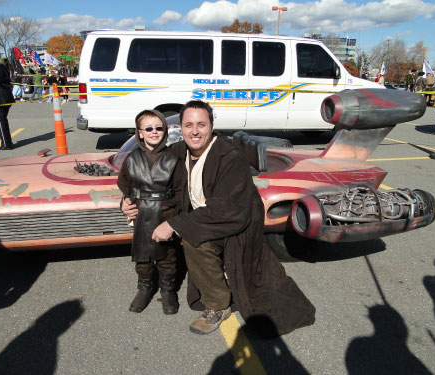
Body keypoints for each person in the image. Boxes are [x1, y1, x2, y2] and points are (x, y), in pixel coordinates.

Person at [124, 101, 315, 336]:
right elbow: (147, 176)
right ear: (181, 128)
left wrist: (174, 223)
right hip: (206, 218)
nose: (195, 131)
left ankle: (218, 305)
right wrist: (127, 200)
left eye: (201, 124)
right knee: (188, 232)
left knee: (196, 240)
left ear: (212, 126)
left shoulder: (229, 157)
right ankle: (211, 287)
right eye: (188, 125)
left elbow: (227, 209)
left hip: (235, 223)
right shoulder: (179, 151)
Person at [117, 109, 183, 315]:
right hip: (141, 212)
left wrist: (173, 219)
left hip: (166, 213)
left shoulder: (174, 158)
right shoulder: (131, 159)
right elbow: (124, 185)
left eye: (159, 128)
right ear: (140, 132)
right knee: (142, 254)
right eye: (148, 128)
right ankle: (144, 288)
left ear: (165, 131)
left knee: (167, 255)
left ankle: (168, 290)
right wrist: (124, 202)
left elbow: (181, 190)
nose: (154, 132)